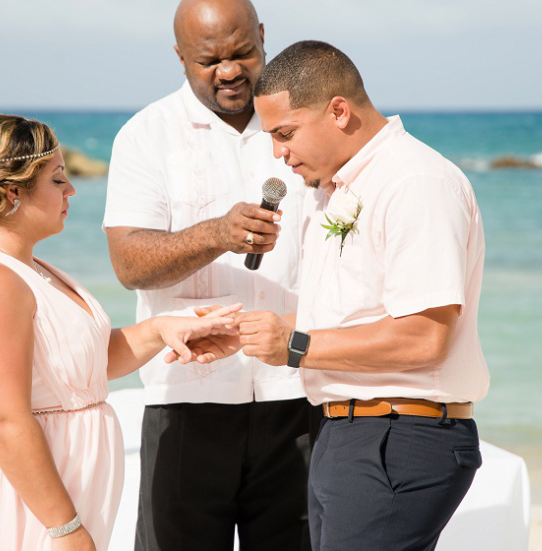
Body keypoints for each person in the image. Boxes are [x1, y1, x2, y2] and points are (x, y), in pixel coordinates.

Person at [191, 40, 490, 551]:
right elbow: (349, 313)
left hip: (399, 435)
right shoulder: (337, 189)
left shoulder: (414, 181)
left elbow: (424, 339)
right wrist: (251, 335)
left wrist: (295, 344)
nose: (278, 153)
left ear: (338, 111)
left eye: (285, 133)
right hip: (348, 431)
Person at [0, 114, 238, 551]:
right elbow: (4, 420)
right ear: (12, 193)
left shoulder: (31, 269)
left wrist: (163, 330)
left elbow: (81, 369)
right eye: (58, 180)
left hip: (61, 500)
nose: (71, 190)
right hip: (17, 507)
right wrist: (65, 530)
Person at [103, 0, 318, 551]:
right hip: (185, 399)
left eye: (241, 52)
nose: (228, 71)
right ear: (181, 59)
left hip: (299, 394)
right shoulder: (145, 136)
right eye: (208, 60)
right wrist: (216, 234)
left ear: (264, 37)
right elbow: (128, 263)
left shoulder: (306, 124)